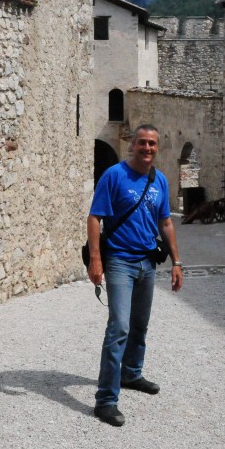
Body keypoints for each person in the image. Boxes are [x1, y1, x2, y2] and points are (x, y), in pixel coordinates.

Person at [87, 124, 183, 427]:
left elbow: (165, 222)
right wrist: (95, 260)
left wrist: (177, 262)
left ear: (158, 147)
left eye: (152, 144)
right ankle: (105, 400)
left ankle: (131, 374)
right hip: (119, 262)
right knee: (119, 327)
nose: (147, 148)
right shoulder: (114, 175)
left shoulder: (160, 180)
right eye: (142, 143)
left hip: (146, 263)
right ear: (133, 145)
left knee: (140, 326)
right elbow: (94, 217)